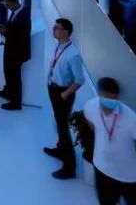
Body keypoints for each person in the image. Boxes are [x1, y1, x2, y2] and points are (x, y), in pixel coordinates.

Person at [85, 77, 136, 205]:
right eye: (106, 98)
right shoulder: (90, 106)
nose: (109, 103)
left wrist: (125, 152)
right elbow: (90, 122)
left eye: (113, 98)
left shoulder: (131, 118)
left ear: (118, 97)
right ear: (99, 94)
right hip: (102, 169)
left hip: (128, 175)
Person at [45, 17, 85, 179]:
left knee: (63, 127)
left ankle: (69, 167)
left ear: (66, 32)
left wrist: (64, 94)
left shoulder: (73, 54)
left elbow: (80, 80)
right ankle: (60, 149)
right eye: (54, 27)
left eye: (57, 28)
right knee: (58, 121)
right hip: (54, 89)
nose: (54, 30)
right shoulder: (59, 46)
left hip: (63, 93)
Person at [0, 0, 31, 111]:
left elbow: (20, 36)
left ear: (13, 2)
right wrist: (6, 29)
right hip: (11, 48)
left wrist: (6, 31)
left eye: (7, 4)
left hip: (17, 52)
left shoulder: (23, 15)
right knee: (8, 72)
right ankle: (8, 92)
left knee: (14, 76)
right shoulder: (16, 12)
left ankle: (16, 102)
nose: (7, 7)